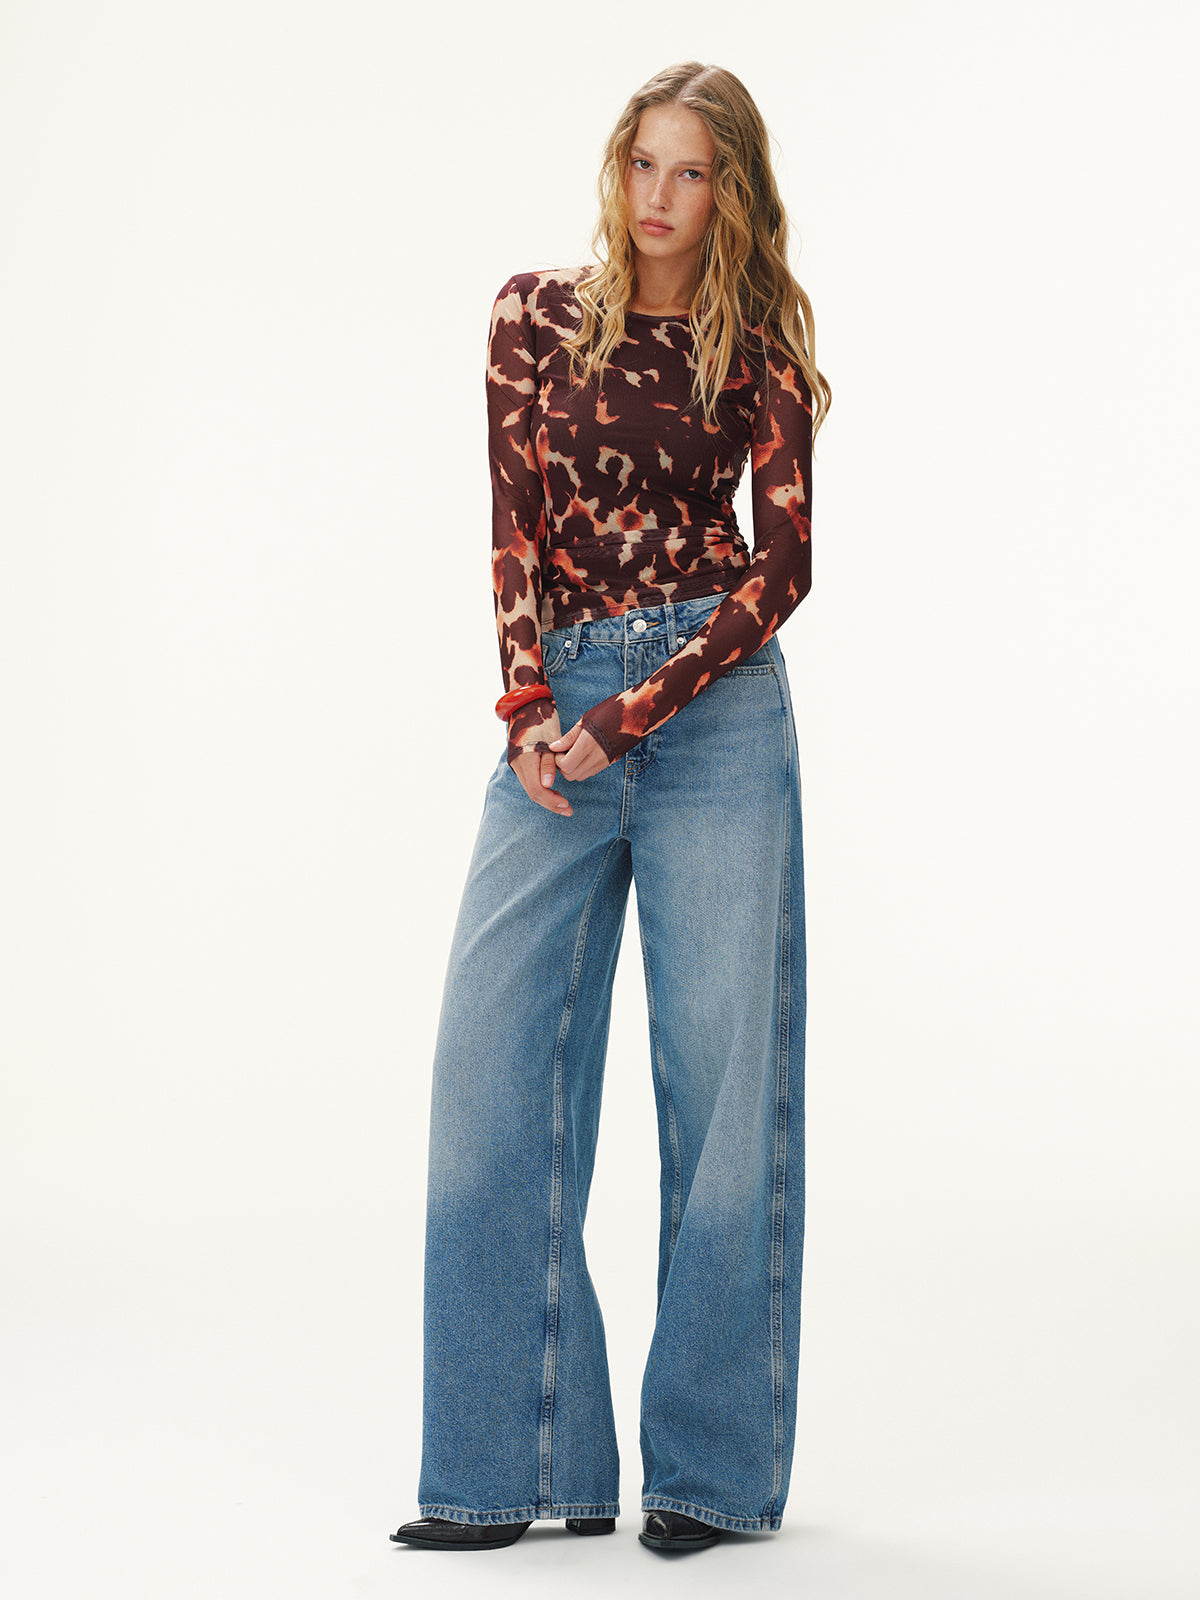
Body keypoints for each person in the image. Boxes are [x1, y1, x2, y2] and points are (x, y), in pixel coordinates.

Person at [390, 60, 831, 1556]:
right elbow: (513, 524)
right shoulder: (534, 316)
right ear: (616, 166)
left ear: (731, 194)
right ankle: (507, 1470)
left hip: (717, 711)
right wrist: (531, 707)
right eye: (644, 162)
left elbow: (784, 566)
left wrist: (633, 716)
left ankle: (707, 1475)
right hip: (559, 703)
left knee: (723, 1095)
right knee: (489, 1074)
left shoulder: (758, 341)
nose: (659, 196)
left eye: (692, 172)